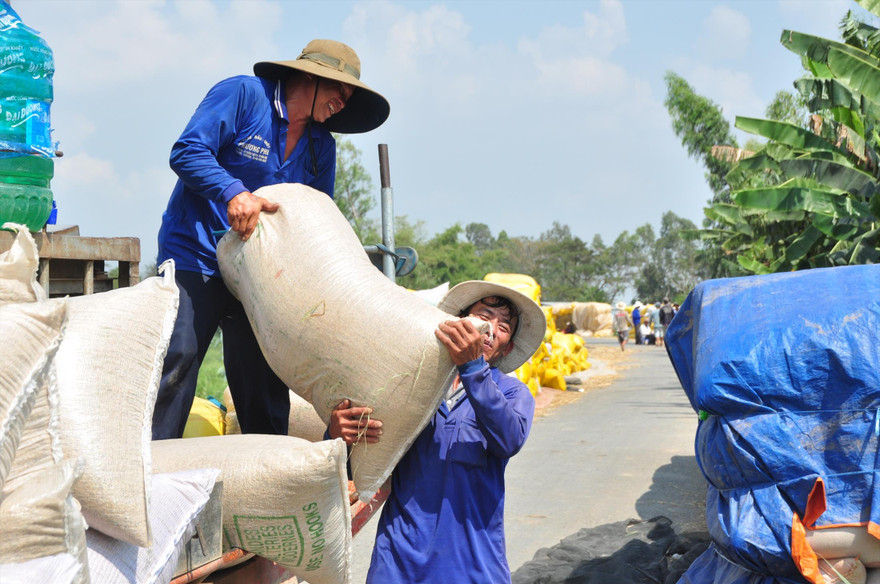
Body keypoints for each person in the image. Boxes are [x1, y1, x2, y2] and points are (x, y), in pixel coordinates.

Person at [152, 40, 390, 440]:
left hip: (261, 274)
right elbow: (187, 151)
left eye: (349, 98)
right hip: (198, 255)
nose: (343, 103)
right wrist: (233, 192)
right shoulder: (244, 96)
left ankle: (269, 469)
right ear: (312, 77)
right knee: (179, 356)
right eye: (341, 90)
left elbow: (313, 218)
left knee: (264, 377)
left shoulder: (321, 146)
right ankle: (149, 463)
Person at [332, 281, 546, 583]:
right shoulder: (411, 382)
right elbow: (361, 463)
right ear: (459, 323)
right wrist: (338, 436)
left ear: (506, 347)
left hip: (471, 566)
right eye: (484, 317)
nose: (491, 330)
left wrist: (473, 369)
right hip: (399, 562)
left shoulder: (513, 393)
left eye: (504, 327)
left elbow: (508, 439)